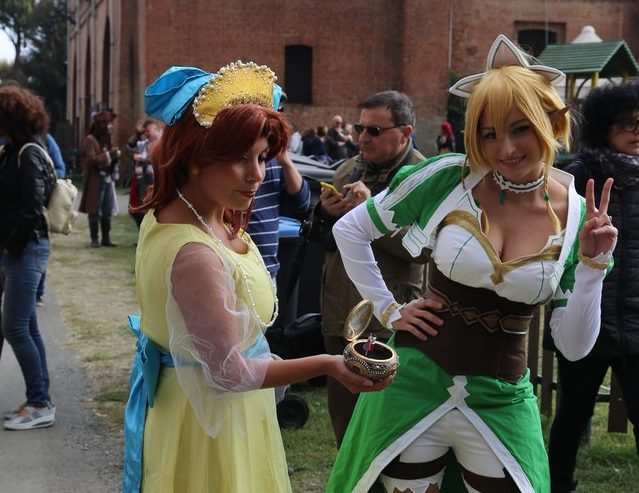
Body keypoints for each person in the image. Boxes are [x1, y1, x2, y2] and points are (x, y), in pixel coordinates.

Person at [325, 34, 617, 493]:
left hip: (501, 397)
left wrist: (593, 264)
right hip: (414, 382)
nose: (506, 149)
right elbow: (350, 230)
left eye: (520, 128)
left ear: (550, 120)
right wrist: (389, 309)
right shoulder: (449, 179)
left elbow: (574, 347)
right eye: (489, 133)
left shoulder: (578, 215)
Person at [121, 61, 392, 493]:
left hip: (204, 408)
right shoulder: (196, 253)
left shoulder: (189, 214)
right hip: (211, 429)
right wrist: (329, 364)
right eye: (238, 159)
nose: (257, 175)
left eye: (263, 157)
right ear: (194, 156)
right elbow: (228, 373)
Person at [312, 90, 427, 447]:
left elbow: (423, 249)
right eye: (360, 128)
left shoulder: (421, 177)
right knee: (344, 418)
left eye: (374, 131)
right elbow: (325, 239)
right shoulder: (348, 169)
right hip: (340, 310)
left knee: (386, 418)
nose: (362, 137)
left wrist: (372, 212)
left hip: (389, 317)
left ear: (405, 133)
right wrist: (324, 214)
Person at [545, 82, 639, 493]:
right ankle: (557, 486)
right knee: (573, 413)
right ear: (604, 126)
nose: (637, 131)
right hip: (586, 312)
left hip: (636, 318)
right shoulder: (579, 174)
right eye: (628, 123)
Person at [0, 86, 57, 430]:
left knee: (15, 326)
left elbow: (32, 208)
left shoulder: (28, 153)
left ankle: (40, 404)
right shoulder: (12, 151)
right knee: (27, 326)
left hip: (26, 249)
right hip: (20, 250)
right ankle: (39, 398)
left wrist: (10, 246)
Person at [247, 149, 310, 278]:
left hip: (267, 269)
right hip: (232, 266)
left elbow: (302, 203)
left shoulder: (274, 156)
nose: (257, 175)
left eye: (262, 159)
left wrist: (285, 161)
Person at [78, 109, 120, 247]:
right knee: (95, 209)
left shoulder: (107, 138)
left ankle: (106, 239)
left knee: (107, 210)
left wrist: (115, 156)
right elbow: (91, 160)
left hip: (107, 178)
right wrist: (108, 155)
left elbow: (111, 155)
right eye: (108, 124)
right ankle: (94, 239)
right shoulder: (90, 139)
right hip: (96, 178)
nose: (110, 126)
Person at [35, 132, 66, 306]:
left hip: (41, 208)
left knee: (38, 247)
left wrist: (43, 180)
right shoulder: (6, 142)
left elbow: (60, 168)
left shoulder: (46, 140)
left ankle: (38, 291)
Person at [128, 119, 162, 228]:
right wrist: (137, 133)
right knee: (141, 208)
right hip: (142, 180)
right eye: (145, 131)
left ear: (156, 130)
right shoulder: (143, 143)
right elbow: (130, 146)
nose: (147, 133)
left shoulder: (162, 143)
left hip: (157, 179)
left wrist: (145, 159)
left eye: (149, 130)